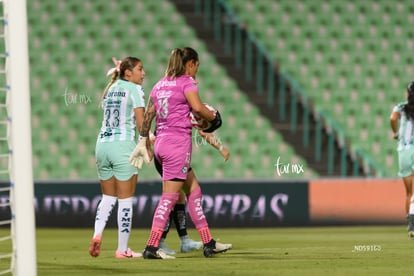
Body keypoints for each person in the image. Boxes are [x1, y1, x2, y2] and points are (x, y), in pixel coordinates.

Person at [129, 47, 232, 259]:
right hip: (177, 144)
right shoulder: (187, 82)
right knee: (169, 197)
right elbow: (197, 107)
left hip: (161, 143)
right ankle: (151, 246)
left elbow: (149, 115)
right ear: (190, 63)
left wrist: (142, 140)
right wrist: (212, 118)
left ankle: (208, 242)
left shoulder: (159, 84)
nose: (196, 71)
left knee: (193, 190)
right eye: (196, 66)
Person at [89, 57, 146, 258]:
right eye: (140, 69)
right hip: (123, 147)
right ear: (128, 73)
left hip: (102, 145)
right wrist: (146, 141)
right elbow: (141, 125)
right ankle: (122, 249)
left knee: (107, 197)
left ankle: (97, 235)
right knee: (125, 200)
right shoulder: (135, 90)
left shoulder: (111, 88)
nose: (144, 73)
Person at [154, 130, 231, 255]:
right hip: (175, 152)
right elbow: (203, 131)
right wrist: (221, 147)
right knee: (176, 197)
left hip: (163, 150)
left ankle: (184, 241)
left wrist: (146, 139)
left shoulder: (165, 110)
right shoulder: (186, 110)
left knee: (179, 197)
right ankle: (157, 243)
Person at [390, 81, 414, 238]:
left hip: (404, 150)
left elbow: (392, 118)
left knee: (409, 192)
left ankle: (410, 225)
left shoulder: (400, 107)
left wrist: (397, 133)